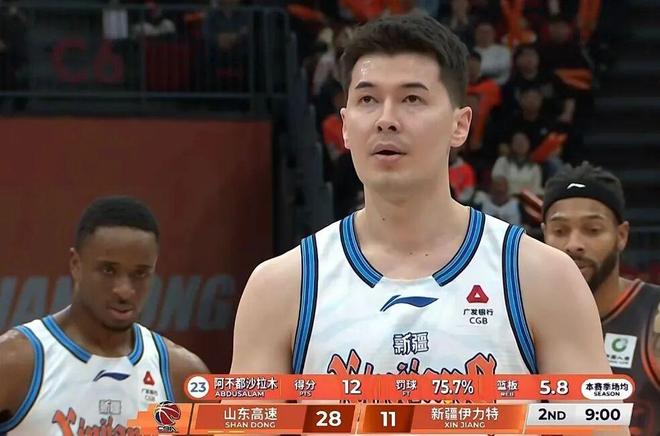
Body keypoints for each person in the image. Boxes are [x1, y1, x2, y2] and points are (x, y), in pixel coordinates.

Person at [232, 14, 624, 435]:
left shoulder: (542, 277)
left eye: (412, 99)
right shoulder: (281, 287)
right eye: (368, 100)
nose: (386, 119)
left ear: (460, 125)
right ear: (345, 127)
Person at [0, 196, 209, 435]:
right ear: (76, 264)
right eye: (108, 270)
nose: (124, 290)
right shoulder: (15, 362)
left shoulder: (182, 374)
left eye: (140, 273)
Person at [542, 162, 660, 436]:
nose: (574, 244)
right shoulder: (518, 320)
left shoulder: (653, 315)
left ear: (621, 236)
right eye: (559, 231)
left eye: (593, 230)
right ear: (544, 234)